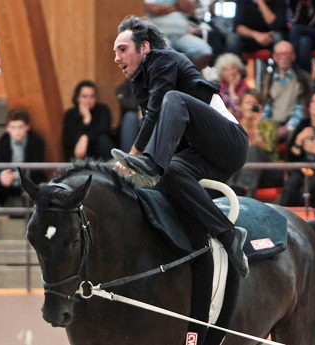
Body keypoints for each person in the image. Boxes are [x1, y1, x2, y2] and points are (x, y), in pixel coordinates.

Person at [111, 16, 249, 345]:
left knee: (172, 102)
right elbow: (157, 120)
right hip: (199, 158)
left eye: (122, 49)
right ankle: (229, 235)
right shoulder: (140, 85)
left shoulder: (163, 59)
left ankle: (154, 165)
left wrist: (137, 159)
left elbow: (160, 110)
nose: (116, 57)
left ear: (144, 48)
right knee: (172, 172)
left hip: (229, 143)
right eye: (114, 51)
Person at [0, 109, 46, 239]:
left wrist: (16, 176)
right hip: (7, 183)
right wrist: (3, 175)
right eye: (13, 127)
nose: (17, 131)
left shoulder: (36, 141)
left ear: (27, 127)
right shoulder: (3, 140)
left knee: (31, 189)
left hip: (27, 180)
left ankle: (33, 232)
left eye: (20, 127)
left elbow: (36, 167)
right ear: (8, 128)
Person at [227, 89, 283, 197]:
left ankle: (239, 192)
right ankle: (235, 189)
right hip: (242, 173)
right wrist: (246, 125)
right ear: (240, 107)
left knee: (254, 149)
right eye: (248, 103)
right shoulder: (236, 127)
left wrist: (256, 128)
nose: (251, 106)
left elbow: (269, 150)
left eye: (255, 103)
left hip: (268, 171)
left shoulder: (269, 125)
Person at [261, 40, 315, 142]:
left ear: (293, 56)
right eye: (279, 54)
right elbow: (266, 106)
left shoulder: (303, 78)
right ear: (274, 57)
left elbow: (302, 107)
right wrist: (267, 127)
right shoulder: (267, 79)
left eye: (287, 54)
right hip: (272, 126)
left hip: (295, 127)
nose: (283, 58)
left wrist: (287, 128)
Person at [144, 0, 213, 70]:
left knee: (204, 50)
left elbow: (191, 9)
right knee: (165, 52)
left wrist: (174, 6)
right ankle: (168, 78)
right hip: (160, 35)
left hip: (182, 35)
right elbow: (154, 9)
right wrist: (177, 7)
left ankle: (187, 76)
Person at [62, 80, 116, 161]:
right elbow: (69, 138)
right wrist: (86, 120)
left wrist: (85, 137)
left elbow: (103, 130)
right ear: (77, 98)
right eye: (84, 96)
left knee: (102, 139)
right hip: (80, 155)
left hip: (103, 153)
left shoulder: (103, 110)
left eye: (92, 96)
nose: (88, 100)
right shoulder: (71, 113)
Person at [214, 52, 252, 121]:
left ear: (239, 70)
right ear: (221, 74)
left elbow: (240, 112)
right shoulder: (218, 88)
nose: (231, 72)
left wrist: (232, 89)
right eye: (226, 70)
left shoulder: (246, 89)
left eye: (233, 68)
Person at [115, 80, 141, 152]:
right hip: (135, 121)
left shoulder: (156, 82)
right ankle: (127, 158)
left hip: (153, 115)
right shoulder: (124, 86)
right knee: (130, 117)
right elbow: (128, 104)